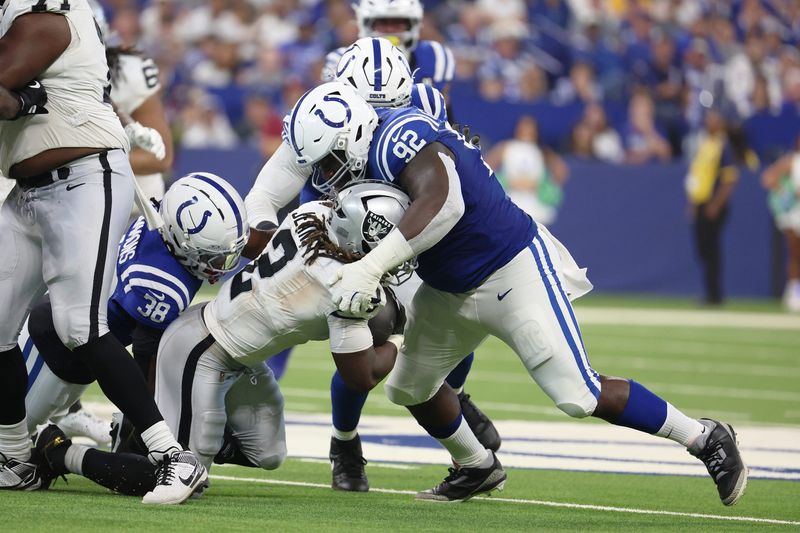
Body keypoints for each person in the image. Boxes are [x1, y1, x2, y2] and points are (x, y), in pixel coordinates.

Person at [286, 81, 748, 506]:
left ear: (353, 132)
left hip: (509, 268)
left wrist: (370, 267)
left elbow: (445, 205)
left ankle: (705, 437)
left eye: (328, 160)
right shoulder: (361, 157)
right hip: (448, 286)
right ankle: (476, 466)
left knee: (579, 394)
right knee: (409, 387)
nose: (326, 174)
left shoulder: (398, 135)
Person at [34, 181, 408, 497]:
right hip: (199, 349)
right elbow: (362, 377)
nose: (398, 251)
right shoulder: (344, 286)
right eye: (392, 240)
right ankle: (58, 451)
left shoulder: (309, 216)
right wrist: (399, 332)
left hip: (239, 354)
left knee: (268, 453)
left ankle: (177, 436)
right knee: (174, 477)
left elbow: (260, 241)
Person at [245, 40, 499, 493]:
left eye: (390, 109)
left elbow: (447, 184)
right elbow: (265, 195)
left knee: (454, 329)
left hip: (404, 239)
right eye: (366, 108)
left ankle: (461, 418)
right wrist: (275, 236)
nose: (378, 121)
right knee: (365, 347)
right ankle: (345, 443)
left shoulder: (423, 109)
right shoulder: (324, 113)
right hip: (338, 239)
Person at [0, 0, 205, 504]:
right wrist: (22, 103)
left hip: (85, 179)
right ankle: (15, 457)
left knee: (79, 327)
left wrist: (19, 103)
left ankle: (173, 458)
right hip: (29, 189)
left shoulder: (45, 17)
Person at [22, 172, 248, 453]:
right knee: (15, 433)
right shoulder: (161, 282)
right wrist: (141, 423)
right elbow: (143, 359)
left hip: (78, 330)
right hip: (57, 347)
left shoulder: (159, 220)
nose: (220, 264)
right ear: (182, 242)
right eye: (211, 256)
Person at [323, 0, 455, 98]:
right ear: (366, 25)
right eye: (382, 23)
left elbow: (443, 116)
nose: (390, 31)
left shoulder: (435, 56)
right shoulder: (341, 61)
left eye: (398, 23)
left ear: (413, 25)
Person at [685, 109, 738, 306]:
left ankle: (714, 295)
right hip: (701, 203)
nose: (709, 123)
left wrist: (716, 204)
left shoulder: (723, 146)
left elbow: (729, 179)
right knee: (703, 249)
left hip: (712, 204)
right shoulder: (706, 144)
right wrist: (692, 203)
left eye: (713, 120)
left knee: (711, 249)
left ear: (721, 123)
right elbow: (698, 177)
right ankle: (710, 291)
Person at [485, 115, 568, 226]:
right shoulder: (506, 147)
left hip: (535, 201)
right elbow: (485, 166)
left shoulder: (542, 151)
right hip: (510, 197)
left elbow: (561, 172)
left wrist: (541, 184)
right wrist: (506, 181)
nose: (526, 131)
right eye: (523, 127)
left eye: (530, 128)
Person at [761, 135, 800, 312]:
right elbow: (768, 178)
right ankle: (793, 292)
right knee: (795, 253)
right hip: (794, 214)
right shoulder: (791, 161)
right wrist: (786, 192)